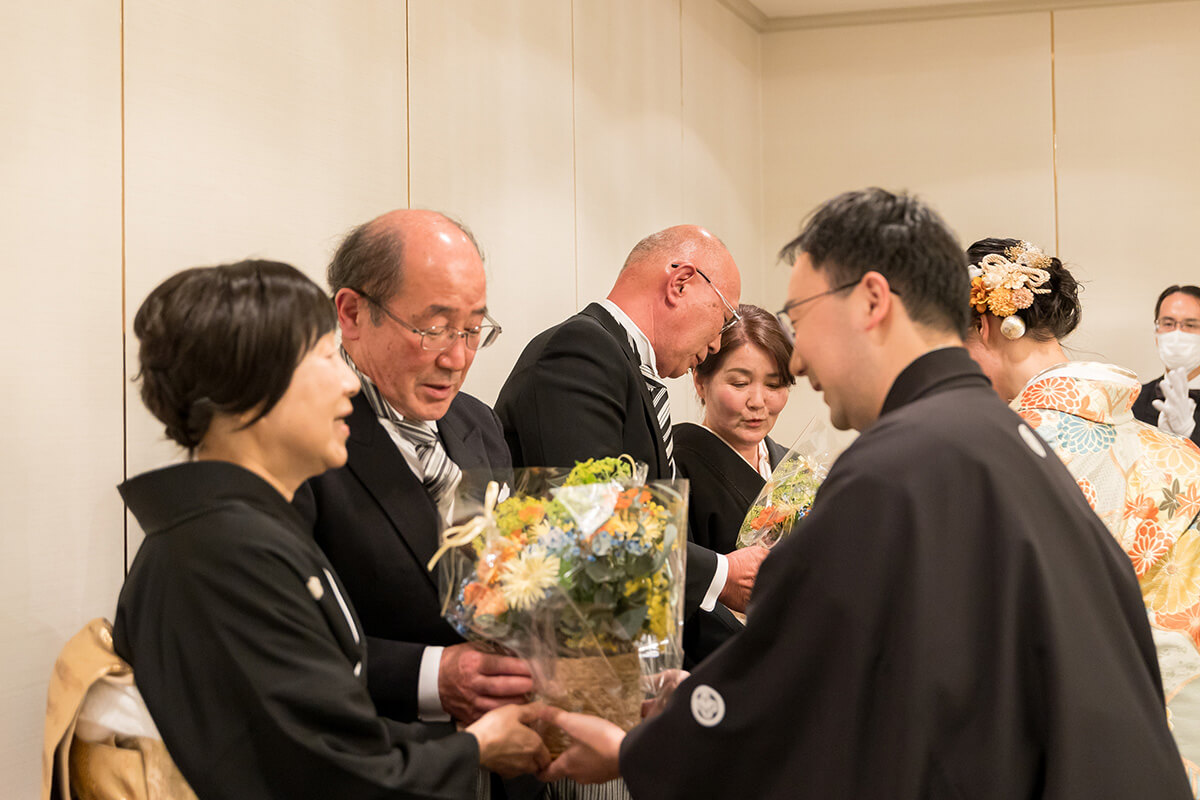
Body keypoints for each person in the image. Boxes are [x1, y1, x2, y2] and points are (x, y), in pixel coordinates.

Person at [533, 189, 1192, 798]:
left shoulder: (907, 463)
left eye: (801, 319)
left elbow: (803, 670)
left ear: (873, 302)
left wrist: (642, 747)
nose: (796, 362)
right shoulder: (1002, 439)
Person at [114, 260, 549, 800]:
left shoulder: (244, 531)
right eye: (324, 357)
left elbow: (324, 724)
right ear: (248, 385)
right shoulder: (223, 553)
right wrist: (475, 748)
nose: (347, 381)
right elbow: (326, 773)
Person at [292, 210, 540, 798]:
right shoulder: (302, 440)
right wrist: (434, 677)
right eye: (433, 329)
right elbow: (290, 645)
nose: (456, 358)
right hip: (388, 767)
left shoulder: (478, 424)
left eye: (473, 329)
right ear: (351, 314)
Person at [962, 237, 1200, 789]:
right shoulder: (1178, 452)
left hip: (1073, 742)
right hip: (1177, 739)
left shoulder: (1005, 453)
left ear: (985, 326)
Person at [495, 225, 768, 622]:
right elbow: (589, 524)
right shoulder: (580, 351)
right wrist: (722, 574)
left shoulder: (625, 367)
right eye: (724, 319)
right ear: (680, 284)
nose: (716, 344)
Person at [673, 305, 793, 665]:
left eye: (774, 384)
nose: (758, 402)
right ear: (700, 380)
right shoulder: (676, 461)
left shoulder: (793, 467)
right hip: (719, 667)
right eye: (739, 383)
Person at [1133, 285, 1200, 446]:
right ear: (1157, 334)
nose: (1177, 333)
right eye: (1168, 323)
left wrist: (1190, 432)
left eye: (1190, 325)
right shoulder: (1133, 400)